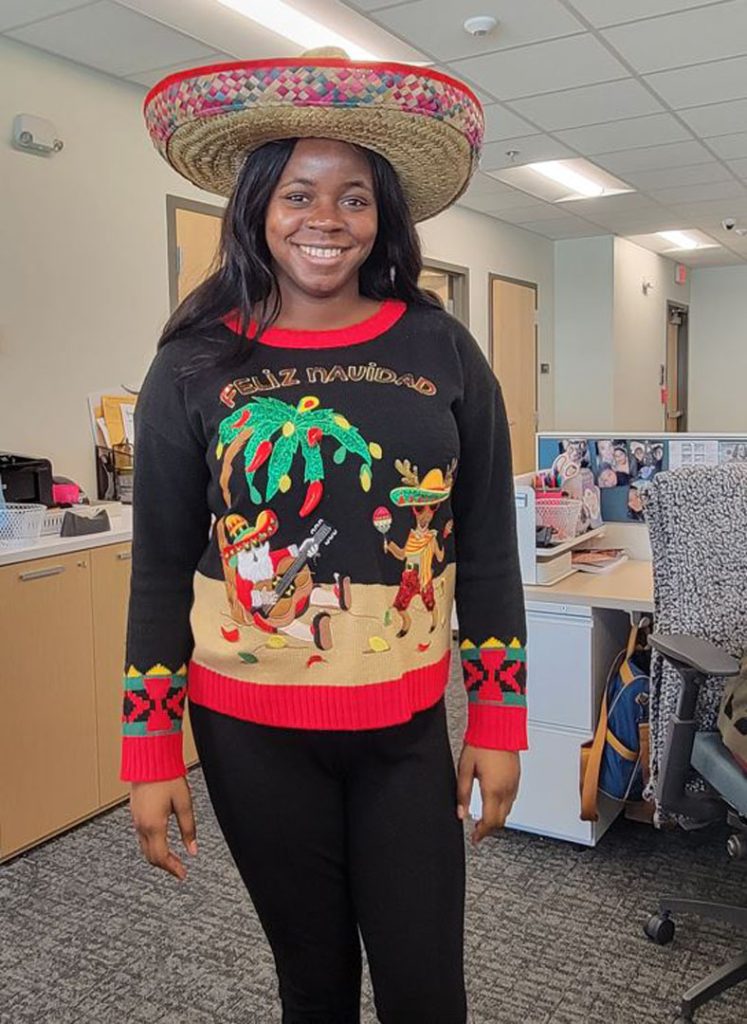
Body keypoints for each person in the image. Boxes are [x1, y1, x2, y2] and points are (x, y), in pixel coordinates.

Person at [124, 48, 527, 1024]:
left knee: (426, 992)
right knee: (313, 985)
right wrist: (149, 747)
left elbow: (484, 545)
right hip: (249, 731)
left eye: (354, 197)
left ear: (383, 215)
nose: (326, 219)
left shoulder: (441, 346)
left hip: (402, 727)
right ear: (258, 207)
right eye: (298, 194)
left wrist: (498, 720)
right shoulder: (193, 364)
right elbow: (160, 569)